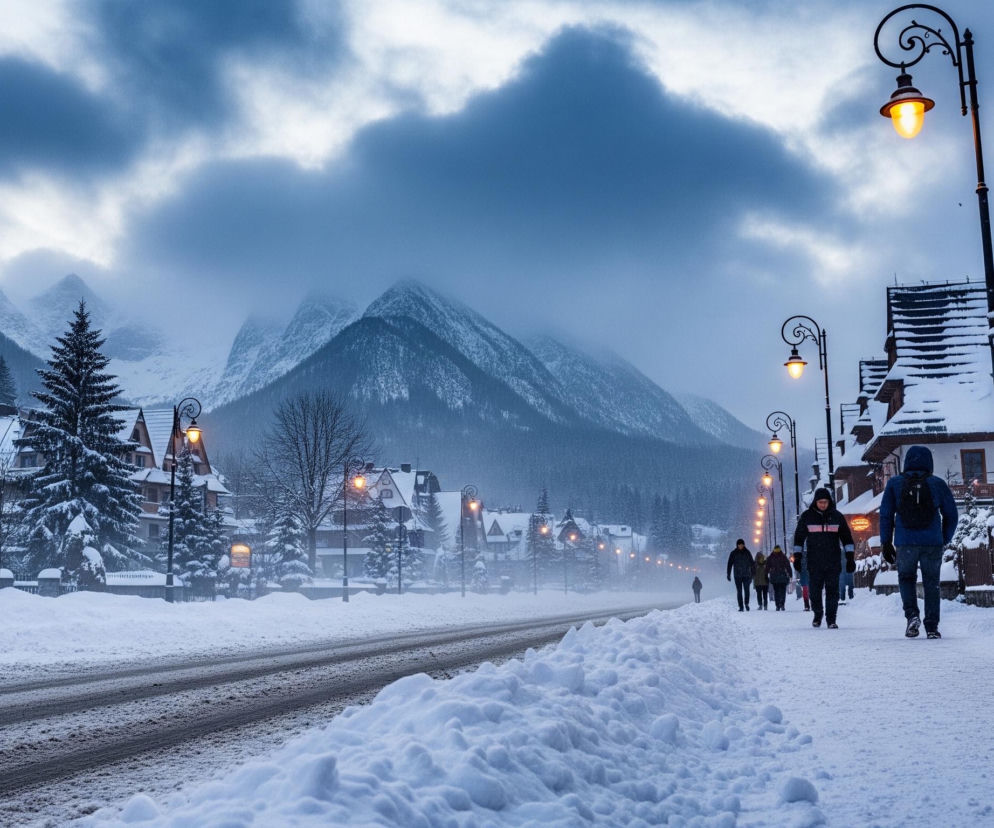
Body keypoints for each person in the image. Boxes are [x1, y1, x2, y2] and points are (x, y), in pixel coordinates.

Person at [878, 445, 958, 639]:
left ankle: (912, 616)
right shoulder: (937, 484)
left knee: (906, 579)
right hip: (932, 542)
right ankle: (931, 626)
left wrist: (886, 542)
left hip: (905, 542)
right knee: (932, 583)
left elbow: (886, 515)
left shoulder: (895, 484)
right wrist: (943, 538)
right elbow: (952, 515)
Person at [793, 487, 855, 629]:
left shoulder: (837, 517)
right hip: (814, 561)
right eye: (820, 502)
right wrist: (797, 557)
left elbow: (846, 538)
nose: (823, 504)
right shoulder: (807, 517)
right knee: (814, 591)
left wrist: (850, 557)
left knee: (833, 590)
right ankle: (818, 614)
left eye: (825, 502)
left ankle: (831, 619)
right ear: (816, 502)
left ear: (829, 502)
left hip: (833, 560)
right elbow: (799, 538)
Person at [726, 538, 755, 611]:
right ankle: (741, 606)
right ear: (737, 545)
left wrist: (753, 574)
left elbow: (752, 563)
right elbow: (729, 564)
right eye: (739, 545)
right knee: (739, 591)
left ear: (744, 545)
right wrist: (728, 574)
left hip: (746, 575)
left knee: (746, 590)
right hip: (737, 575)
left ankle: (746, 604)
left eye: (742, 544)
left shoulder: (747, 552)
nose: (741, 546)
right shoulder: (733, 553)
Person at [766, 545, 792, 611]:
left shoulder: (771, 557)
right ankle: (782, 604)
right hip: (782, 576)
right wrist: (790, 574)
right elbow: (788, 566)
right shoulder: (783, 556)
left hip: (775, 577)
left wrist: (766, 574)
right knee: (782, 591)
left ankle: (778, 605)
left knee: (776, 591)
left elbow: (767, 567)